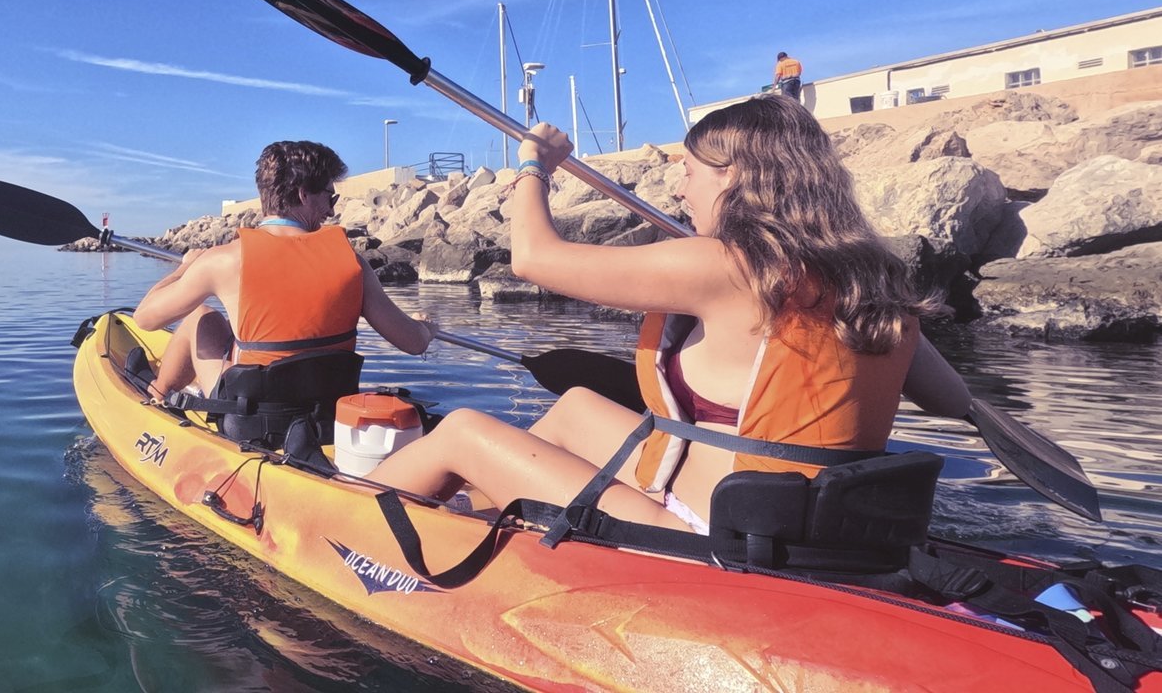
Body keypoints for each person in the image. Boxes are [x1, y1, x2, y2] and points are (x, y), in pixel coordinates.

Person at [367, 97, 971, 534]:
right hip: (809, 527)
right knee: (577, 406)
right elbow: (951, 400)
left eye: (687, 173)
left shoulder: (727, 265)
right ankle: (478, 516)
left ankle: (353, 525)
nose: (680, 191)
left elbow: (531, 258)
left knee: (465, 429)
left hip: (708, 534)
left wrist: (534, 166)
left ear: (732, 176)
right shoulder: (873, 283)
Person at [134, 139, 434, 399]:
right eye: (330, 197)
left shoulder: (221, 260)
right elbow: (413, 342)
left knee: (201, 317)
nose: (332, 210)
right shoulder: (354, 263)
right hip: (326, 407)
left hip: (250, 412)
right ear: (303, 194)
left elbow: (145, 318)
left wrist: (186, 268)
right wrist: (425, 327)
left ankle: (159, 394)